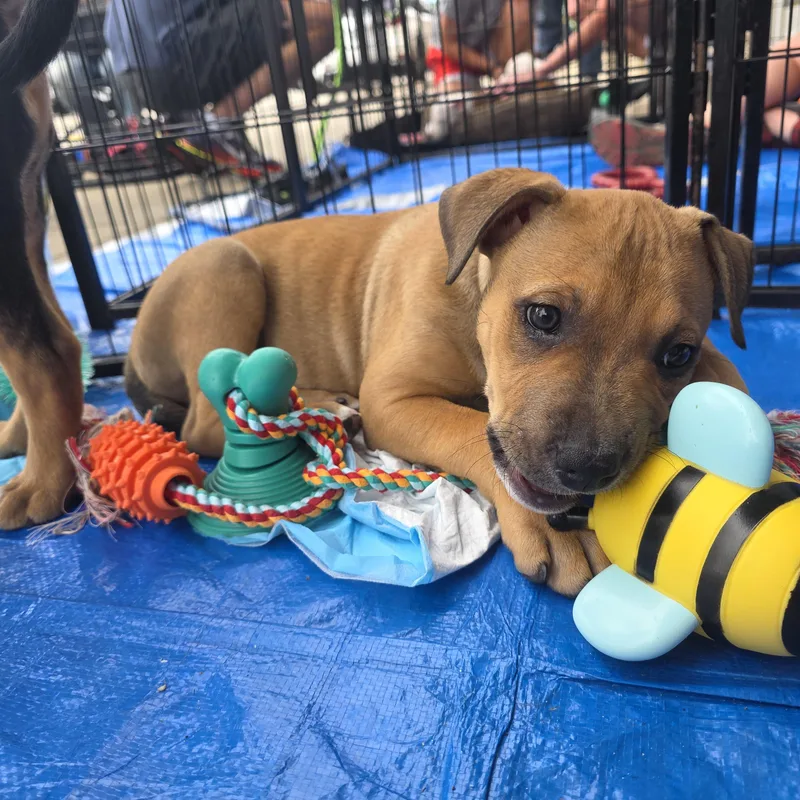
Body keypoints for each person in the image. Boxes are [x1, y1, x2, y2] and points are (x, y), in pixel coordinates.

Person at [104, 0, 334, 177]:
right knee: (324, 17)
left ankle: (217, 127)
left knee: (282, 20)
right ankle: (219, 122)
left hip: (127, 73)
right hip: (166, 62)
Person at [402, 0, 533, 143]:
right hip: (450, 57)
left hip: (485, 51)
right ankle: (429, 134)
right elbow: (448, 43)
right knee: (450, 108)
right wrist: (492, 67)